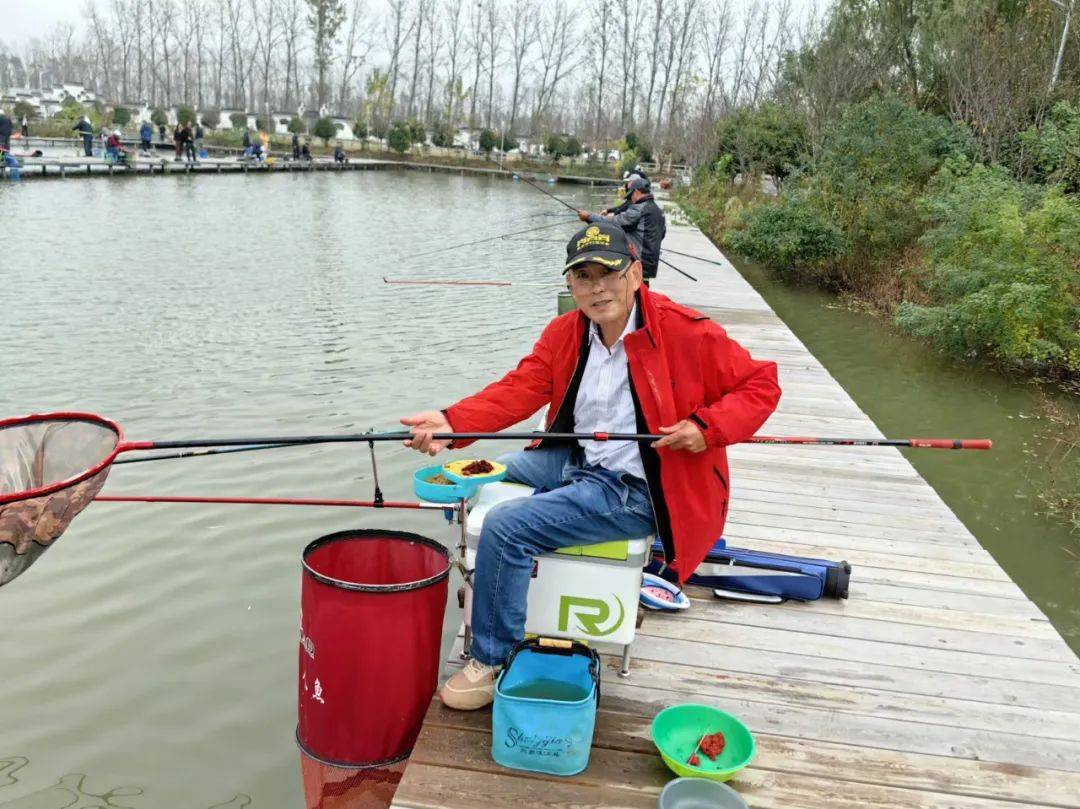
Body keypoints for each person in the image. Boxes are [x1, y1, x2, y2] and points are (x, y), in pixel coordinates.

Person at [400, 221, 781, 710]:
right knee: (494, 467)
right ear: (570, 285)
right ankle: (506, 589)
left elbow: (761, 385)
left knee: (506, 527)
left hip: (636, 487)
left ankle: (492, 657)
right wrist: (452, 421)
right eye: (583, 276)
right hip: (580, 459)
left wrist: (706, 427)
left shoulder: (688, 333)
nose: (597, 287)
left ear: (637, 274)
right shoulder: (566, 332)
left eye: (609, 272)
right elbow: (520, 389)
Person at [578, 175, 666, 281]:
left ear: (637, 192)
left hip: (637, 264)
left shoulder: (639, 209)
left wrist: (588, 217)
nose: (630, 200)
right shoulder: (657, 210)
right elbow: (662, 234)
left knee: (629, 294)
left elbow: (613, 223)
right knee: (641, 295)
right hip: (649, 266)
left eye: (630, 195)